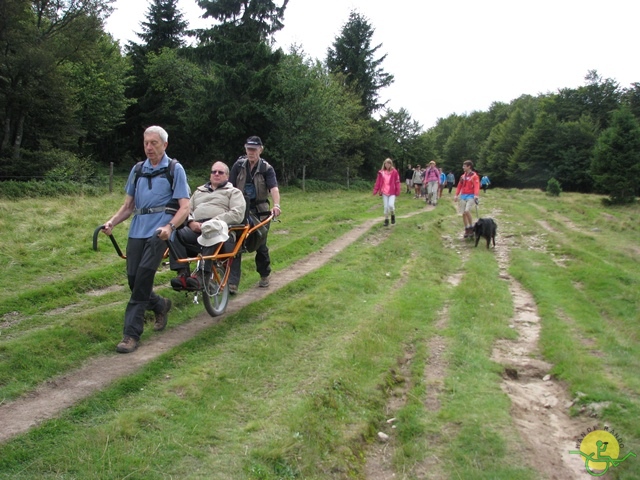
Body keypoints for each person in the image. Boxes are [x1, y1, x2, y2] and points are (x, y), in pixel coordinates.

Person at [102, 126, 190, 353]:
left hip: (159, 233)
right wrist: (112, 222)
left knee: (142, 280)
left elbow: (185, 207)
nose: (149, 148)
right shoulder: (138, 170)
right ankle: (160, 305)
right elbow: (128, 206)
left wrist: (170, 227)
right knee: (133, 279)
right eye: (146, 143)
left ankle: (130, 335)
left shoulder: (174, 169)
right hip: (136, 231)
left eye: (154, 143)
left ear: (165, 145)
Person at [169, 161, 246, 290]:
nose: (216, 174)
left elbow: (237, 214)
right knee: (172, 232)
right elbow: (186, 209)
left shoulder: (234, 192)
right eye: (213, 171)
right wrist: (191, 222)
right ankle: (182, 273)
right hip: (195, 228)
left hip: (220, 230)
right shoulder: (199, 192)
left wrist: (212, 222)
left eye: (220, 172)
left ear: (227, 176)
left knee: (211, 231)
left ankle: (203, 275)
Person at [228, 136, 281, 293]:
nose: (251, 152)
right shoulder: (238, 165)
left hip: (261, 213)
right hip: (241, 211)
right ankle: (232, 283)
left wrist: (276, 205)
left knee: (260, 244)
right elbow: (229, 186)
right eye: (248, 149)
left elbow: (274, 188)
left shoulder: (267, 168)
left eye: (254, 149)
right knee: (236, 244)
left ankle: (264, 274)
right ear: (245, 149)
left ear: (260, 150)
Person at [454, 160, 480, 239]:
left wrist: (476, 195)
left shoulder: (474, 176)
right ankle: (466, 228)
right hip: (463, 195)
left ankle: (471, 227)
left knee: (467, 210)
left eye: (464, 166)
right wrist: (456, 195)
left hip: (471, 196)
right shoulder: (462, 176)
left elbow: (476, 186)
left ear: (469, 166)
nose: (463, 167)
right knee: (463, 213)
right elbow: (459, 186)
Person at [373, 158, 401, 226]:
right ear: (384, 164)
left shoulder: (394, 172)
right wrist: (376, 190)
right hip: (384, 191)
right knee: (386, 207)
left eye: (388, 163)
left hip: (392, 191)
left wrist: (398, 190)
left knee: (391, 205)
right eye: (386, 163)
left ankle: (393, 215)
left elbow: (397, 181)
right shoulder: (381, 172)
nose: (387, 165)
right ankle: (386, 220)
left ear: (391, 164)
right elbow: (378, 182)